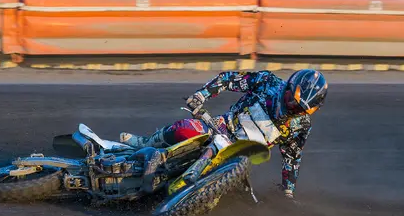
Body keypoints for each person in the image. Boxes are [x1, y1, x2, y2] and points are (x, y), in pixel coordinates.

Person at [119, 69, 328, 200]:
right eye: (292, 99)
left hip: (239, 158)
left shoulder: (301, 125)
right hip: (220, 127)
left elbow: (292, 158)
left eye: (299, 108)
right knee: (187, 127)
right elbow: (229, 79)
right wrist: (201, 94)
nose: (292, 106)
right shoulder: (268, 82)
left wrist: (287, 191)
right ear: (289, 86)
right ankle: (145, 143)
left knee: (236, 202)